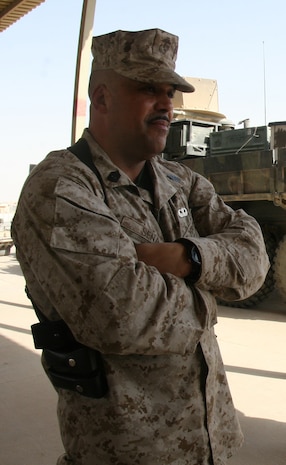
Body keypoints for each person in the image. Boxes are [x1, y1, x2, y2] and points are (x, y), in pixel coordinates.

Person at [11, 28, 269, 465]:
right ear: (102, 97)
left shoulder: (178, 180)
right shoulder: (61, 188)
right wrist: (213, 288)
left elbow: (255, 256)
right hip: (127, 450)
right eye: (148, 88)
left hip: (211, 442)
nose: (167, 103)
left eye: (169, 91)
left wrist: (190, 258)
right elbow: (123, 315)